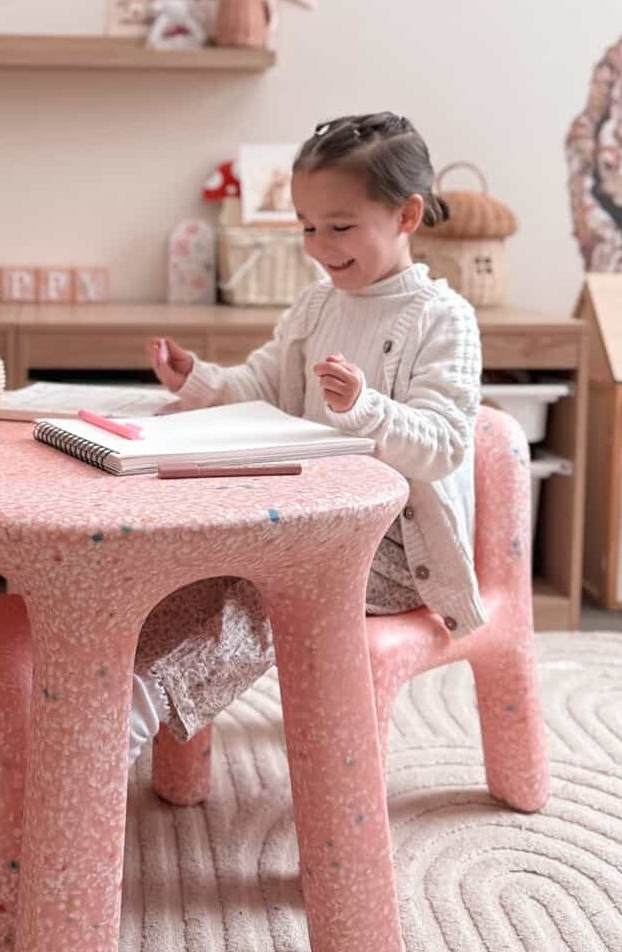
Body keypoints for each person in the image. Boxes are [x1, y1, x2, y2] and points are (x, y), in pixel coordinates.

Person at [126, 111, 485, 765]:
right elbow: (267, 382)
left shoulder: (442, 319)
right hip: (301, 515)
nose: (320, 245)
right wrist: (201, 380)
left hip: (391, 545)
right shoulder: (319, 304)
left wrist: (367, 407)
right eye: (307, 226)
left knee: (271, 580)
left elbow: (443, 444)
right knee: (194, 554)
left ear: (406, 216)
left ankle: (142, 706)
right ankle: (132, 687)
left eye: (341, 227)